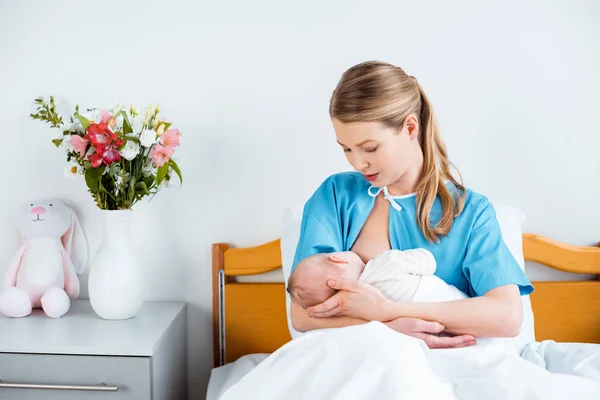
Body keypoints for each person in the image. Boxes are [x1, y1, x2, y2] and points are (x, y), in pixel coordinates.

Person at [289, 60, 534, 349]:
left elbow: (506, 317)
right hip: (360, 357)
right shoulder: (334, 196)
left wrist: (387, 313)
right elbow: (303, 314)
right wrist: (389, 329)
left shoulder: (469, 211)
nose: (358, 163)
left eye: (370, 148)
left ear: (409, 127)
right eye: (346, 149)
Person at [288, 248, 467, 309]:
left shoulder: (362, 308)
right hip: (453, 301)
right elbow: (428, 261)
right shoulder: (384, 262)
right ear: (337, 258)